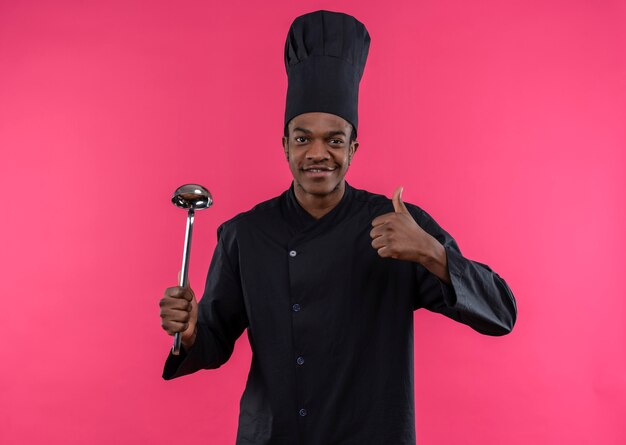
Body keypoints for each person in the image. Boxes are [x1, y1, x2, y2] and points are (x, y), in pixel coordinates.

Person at [159, 9, 517, 445]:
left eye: (334, 139)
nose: (317, 153)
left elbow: (502, 314)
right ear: (285, 143)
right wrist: (192, 330)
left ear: (354, 147)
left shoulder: (399, 225)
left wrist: (433, 254)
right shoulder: (244, 234)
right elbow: (213, 343)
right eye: (303, 137)